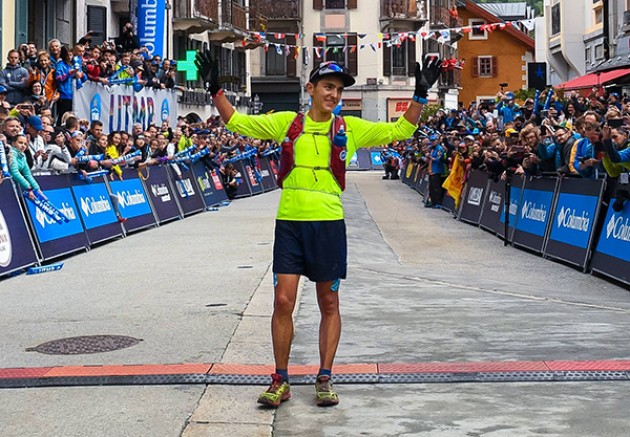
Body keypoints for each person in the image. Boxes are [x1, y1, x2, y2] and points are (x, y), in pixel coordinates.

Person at [195, 50, 441, 407]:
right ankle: (280, 379)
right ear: (310, 88)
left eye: (339, 90)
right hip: (291, 223)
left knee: (328, 301)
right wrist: (215, 88)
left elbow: (402, 130)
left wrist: (420, 94)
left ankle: (324, 377)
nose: (334, 95)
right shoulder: (287, 123)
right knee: (282, 302)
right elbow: (235, 121)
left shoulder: (349, 128)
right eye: (328, 87)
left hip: (327, 224)